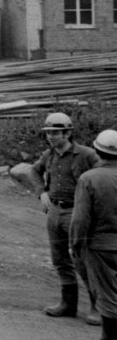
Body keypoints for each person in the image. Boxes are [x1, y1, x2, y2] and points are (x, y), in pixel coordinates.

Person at [32, 111, 102, 324]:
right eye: (48, 133)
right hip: (55, 211)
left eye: (56, 132)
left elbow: (103, 176)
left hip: (77, 213)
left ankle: (97, 308)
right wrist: (42, 192)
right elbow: (35, 171)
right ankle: (68, 304)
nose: (51, 137)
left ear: (68, 132)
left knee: (82, 260)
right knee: (60, 259)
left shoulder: (87, 155)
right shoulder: (48, 155)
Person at [72, 130, 117, 340]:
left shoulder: (89, 178)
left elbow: (80, 218)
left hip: (102, 245)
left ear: (97, 151)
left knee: (107, 293)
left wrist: (76, 244)